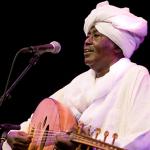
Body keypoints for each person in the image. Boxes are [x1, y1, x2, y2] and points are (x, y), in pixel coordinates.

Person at [2, 1, 150, 149]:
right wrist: (13, 137)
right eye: (88, 36)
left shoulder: (135, 76)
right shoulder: (81, 81)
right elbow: (35, 125)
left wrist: (90, 146)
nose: (87, 41)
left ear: (118, 46)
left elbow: (143, 138)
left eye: (96, 35)